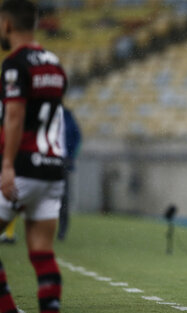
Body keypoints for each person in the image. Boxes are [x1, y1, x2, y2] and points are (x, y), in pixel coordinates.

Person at [0, 1, 67, 312]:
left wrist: (7, 165)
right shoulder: (54, 63)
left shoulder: (15, 64)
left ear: (7, 24)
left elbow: (14, 116)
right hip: (52, 168)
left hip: (24, 165)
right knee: (42, 252)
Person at [57, 107, 81, 240]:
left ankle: (62, 230)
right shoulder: (42, 109)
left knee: (63, 197)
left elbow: (77, 137)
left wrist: (71, 157)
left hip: (63, 161)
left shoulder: (67, 115)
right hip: (45, 159)